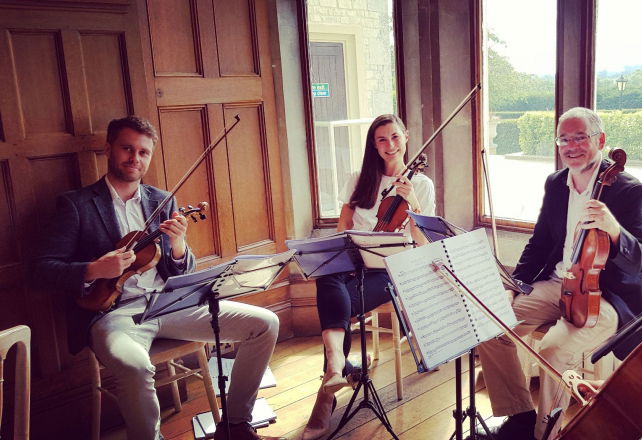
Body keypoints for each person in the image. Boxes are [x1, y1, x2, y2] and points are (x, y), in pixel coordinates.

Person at [30, 116, 281, 440]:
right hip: (114, 314)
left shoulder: (161, 200)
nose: (135, 158)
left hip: (170, 303)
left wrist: (178, 245)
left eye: (143, 152)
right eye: (127, 148)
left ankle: (235, 424)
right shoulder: (76, 204)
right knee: (135, 366)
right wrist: (94, 270)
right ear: (108, 148)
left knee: (265, 323)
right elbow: (41, 271)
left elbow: (182, 271)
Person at [476, 107, 642, 440]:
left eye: (580, 138)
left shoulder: (629, 190)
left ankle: (544, 435)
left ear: (600, 140)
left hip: (607, 296)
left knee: (553, 351)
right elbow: (540, 242)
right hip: (558, 283)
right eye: (564, 139)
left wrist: (614, 229)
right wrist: (514, 285)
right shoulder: (557, 183)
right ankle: (520, 418)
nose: (571, 146)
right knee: (490, 325)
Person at [302, 114, 435, 439]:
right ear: (373, 145)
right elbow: (343, 228)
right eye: (381, 139)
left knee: (337, 304)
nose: (390, 145)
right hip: (353, 260)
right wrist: (350, 251)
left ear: (406, 137)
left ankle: (328, 387)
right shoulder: (359, 179)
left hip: (392, 268)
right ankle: (336, 363)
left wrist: (412, 202)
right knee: (327, 275)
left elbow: (423, 243)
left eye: (395, 137)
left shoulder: (421, 184)